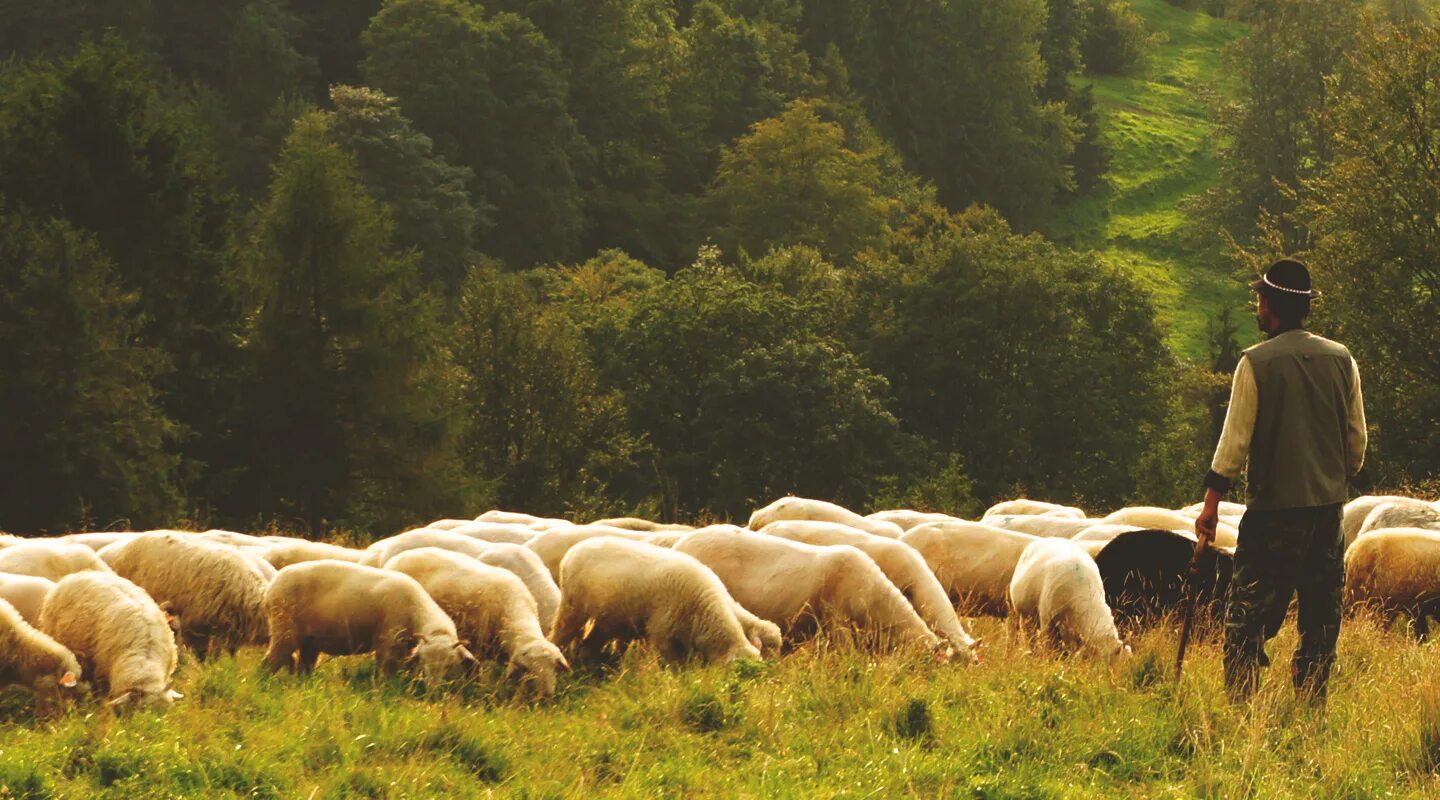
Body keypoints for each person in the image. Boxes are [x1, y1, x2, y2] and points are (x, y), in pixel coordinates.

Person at [1194, 258, 1367, 705]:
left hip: (1273, 515)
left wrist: (1211, 505)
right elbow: (1356, 444)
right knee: (1321, 615)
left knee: (1247, 616)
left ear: (1269, 305)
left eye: (1259, 299)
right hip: (1328, 513)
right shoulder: (1342, 359)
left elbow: (1233, 445)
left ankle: (1242, 707)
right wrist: (1330, 476)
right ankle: (1311, 702)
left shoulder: (1255, 364)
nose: (1257, 306)